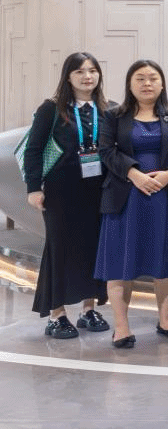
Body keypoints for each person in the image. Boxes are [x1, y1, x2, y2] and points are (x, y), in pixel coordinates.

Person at [97, 60, 168, 348]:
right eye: (140, 78)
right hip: (125, 198)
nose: (147, 83)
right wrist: (134, 174)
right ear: (130, 84)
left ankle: (166, 320)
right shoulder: (114, 115)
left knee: (164, 259)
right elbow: (106, 150)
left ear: (162, 83)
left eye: (153, 78)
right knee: (120, 263)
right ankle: (121, 327)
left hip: (165, 196)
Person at [24, 53, 111, 339]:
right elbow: (33, 150)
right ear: (68, 77)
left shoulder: (107, 109)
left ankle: (88, 309)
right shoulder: (51, 109)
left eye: (92, 70)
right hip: (61, 193)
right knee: (59, 250)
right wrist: (34, 188)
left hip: (97, 192)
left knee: (93, 249)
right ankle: (57, 315)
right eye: (79, 71)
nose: (87, 76)